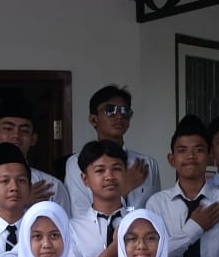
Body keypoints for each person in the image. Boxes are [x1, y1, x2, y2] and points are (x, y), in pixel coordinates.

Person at [149, 116, 219, 257]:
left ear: (210, 157)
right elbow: (153, 256)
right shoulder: (157, 203)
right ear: (171, 159)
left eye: (199, 150)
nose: (191, 156)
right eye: (182, 150)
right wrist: (195, 227)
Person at [0, 95, 71, 216]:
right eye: (8, 129)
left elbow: (63, 226)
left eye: (24, 130)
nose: (16, 135)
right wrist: (21, 201)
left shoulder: (51, 186)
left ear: (33, 139)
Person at [63, 85, 159, 216]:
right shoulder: (76, 163)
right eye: (110, 110)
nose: (119, 116)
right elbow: (80, 215)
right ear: (93, 119)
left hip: (140, 229)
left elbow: (154, 213)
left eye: (125, 111)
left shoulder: (146, 163)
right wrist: (124, 188)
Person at [67, 139, 129, 257]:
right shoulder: (71, 229)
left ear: (126, 173)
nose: (110, 176)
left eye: (117, 169)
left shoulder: (140, 223)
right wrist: (116, 246)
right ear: (85, 179)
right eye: (100, 170)